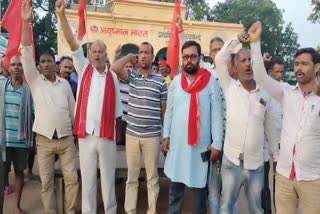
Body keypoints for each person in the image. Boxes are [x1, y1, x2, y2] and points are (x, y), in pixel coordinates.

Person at [56, 0, 123, 213]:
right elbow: (71, 40)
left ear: (105, 54)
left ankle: (110, 210)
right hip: (85, 136)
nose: (96, 54)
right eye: (93, 51)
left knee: (108, 180)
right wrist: (62, 15)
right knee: (88, 180)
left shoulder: (112, 77)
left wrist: (118, 133)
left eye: (100, 51)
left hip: (106, 136)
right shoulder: (83, 69)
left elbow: (118, 110)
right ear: (89, 54)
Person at [249, 21, 320, 214]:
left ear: (317, 67)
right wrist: (255, 44)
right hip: (284, 175)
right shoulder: (286, 93)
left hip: (313, 178)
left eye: (304, 64)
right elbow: (262, 78)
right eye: (296, 64)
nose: (299, 68)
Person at [21, 1, 79, 213]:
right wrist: (26, 22)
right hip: (44, 140)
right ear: (39, 65)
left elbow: (73, 112)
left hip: (65, 140)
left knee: (72, 179)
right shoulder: (35, 81)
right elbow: (26, 53)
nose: (45, 64)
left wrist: (76, 135)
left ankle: (71, 211)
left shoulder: (64, 85)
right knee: (46, 184)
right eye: (42, 62)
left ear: (55, 64)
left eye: (48, 61)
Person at [215, 30, 280, 214]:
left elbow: (271, 129)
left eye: (250, 60)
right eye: (242, 61)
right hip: (231, 162)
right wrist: (236, 40)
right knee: (226, 207)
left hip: (256, 165)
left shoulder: (265, 93)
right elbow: (220, 59)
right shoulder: (229, 87)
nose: (248, 64)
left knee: (256, 209)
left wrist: (276, 158)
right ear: (234, 68)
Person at [161, 40, 223, 214]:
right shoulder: (176, 82)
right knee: (175, 193)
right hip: (178, 148)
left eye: (193, 56)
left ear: (199, 58)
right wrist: (166, 136)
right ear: (182, 59)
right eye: (186, 57)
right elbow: (170, 112)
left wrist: (217, 143)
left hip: (199, 149)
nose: (189, 60)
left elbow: (217, 115)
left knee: (199, 197)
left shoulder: (210, 81)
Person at [112, 41, 167, 214]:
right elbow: (114, 68)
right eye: (140, 52)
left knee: (152, 178)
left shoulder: (160, 82)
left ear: (152, 56)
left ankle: (152, 211)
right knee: (132, 178)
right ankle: (130, 211)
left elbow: (164, 114)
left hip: (152, 136)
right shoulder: (131, 76)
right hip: (132, 136)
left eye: (146, 52)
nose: (143, 55)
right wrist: (129, 56)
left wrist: (164, 137)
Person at [0, 55, 33, 214]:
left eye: (19, 64)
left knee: (19, 173)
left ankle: (17, 206)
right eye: (13, 64)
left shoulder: (29, 90)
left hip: (21, 141)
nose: (16, 67)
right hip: (3, 141)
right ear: (8, 67)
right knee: (1, 176)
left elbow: (33, 113)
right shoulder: (1, 86)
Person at [261, 57, 284, 214]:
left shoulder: (286, 90)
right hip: (262, 142)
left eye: (282, 71)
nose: (280, 75)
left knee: (279, 182)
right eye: (277, 72)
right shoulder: (262, 89)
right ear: (269, 72)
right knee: (263, 185)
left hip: (279, 143)